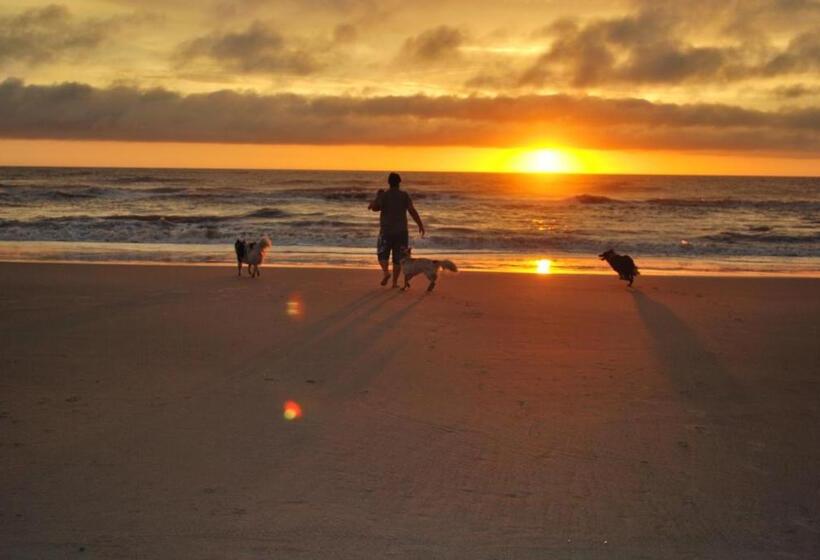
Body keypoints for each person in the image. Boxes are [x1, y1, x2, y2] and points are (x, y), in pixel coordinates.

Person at [367, 172, 425, 287]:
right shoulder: (404, 195)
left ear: (389, 182)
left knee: (382, 254)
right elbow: (411, 210)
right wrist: (420, 224)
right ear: (399, 182)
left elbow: (374, 208)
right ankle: (394, 283)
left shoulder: (384, 195)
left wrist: (377, 198)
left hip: (386, 231)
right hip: (401, 231)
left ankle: (386, 272)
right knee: (398, 258)